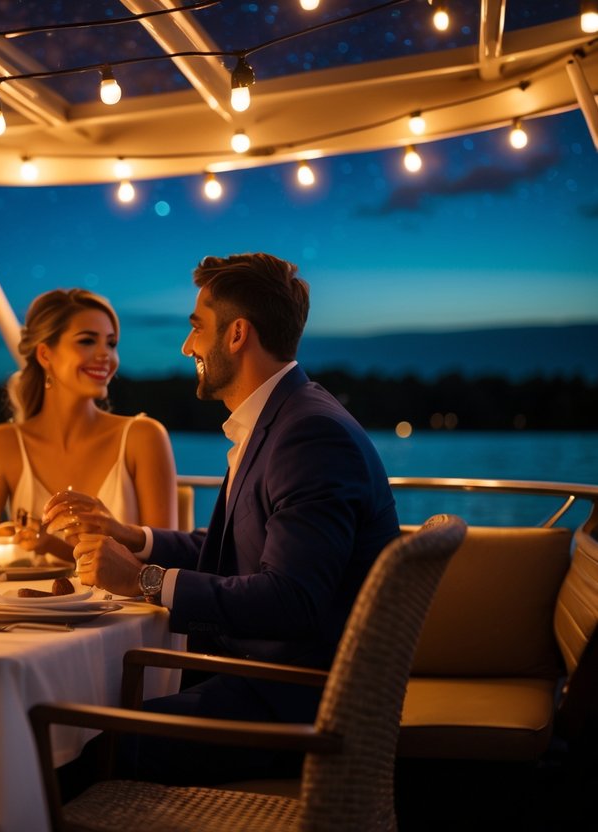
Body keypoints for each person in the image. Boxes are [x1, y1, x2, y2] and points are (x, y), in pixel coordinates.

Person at [44, 253, 400, 784]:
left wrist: (141, 579)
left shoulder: (309, 436)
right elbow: (239, 550)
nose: (187, 346)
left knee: (65, 744)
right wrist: (132, 537)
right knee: (75, 719)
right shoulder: (285, 418)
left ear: (236, 335)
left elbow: (292, 601)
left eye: (196, 327)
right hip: (266, 681)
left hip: (292, 705)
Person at [0, 288, 177, 559]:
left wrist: (53, 546)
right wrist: (7, 539)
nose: (106, 356)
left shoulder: (144, 436)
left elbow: (164, 559)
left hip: (127, 603)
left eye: (111, 344)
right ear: (45, 355)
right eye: (88, 341)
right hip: (22, 602)